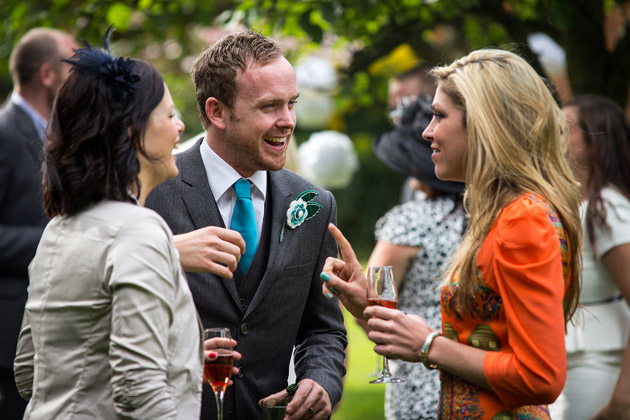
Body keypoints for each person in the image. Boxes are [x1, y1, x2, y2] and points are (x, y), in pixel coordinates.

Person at [320, 48, 583, 419]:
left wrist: (429, 345)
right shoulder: (501, 213)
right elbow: (484, 335)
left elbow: (541, 376)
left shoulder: (524, 220)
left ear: (484, 123)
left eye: (439, 116)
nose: (427, 131)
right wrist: (367, 305)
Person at [12, 31, 228, 419]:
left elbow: (29, 374)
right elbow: (139, 389)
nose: (181, 127)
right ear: (133, 130)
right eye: (170, 114)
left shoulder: (58, 229)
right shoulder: (138, 229)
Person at [145, 30, 347, 420]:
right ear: (217, 112)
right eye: (270, 106)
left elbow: (323, 329)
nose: (288, 121)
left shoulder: (316, 205)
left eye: (292, 104)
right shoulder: (152, 191)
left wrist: (320, 381)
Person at [368, 94, 466, 419]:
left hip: (420, 371)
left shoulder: (410, 221)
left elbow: (372, 302)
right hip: (472, 370)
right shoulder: (486, 212)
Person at [0, 27, 78, 419]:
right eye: (73, 65)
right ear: (48, 75)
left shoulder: (58, 135)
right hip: (9, 337)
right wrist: (58, 240)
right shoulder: (4, 132)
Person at [557, 95, 630, 420]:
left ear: (595, 141)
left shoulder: (608, 210)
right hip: (571, 359)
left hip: (596, 364)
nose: (550, 135)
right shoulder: (578, 208)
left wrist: (623, 399)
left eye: (563, 128)